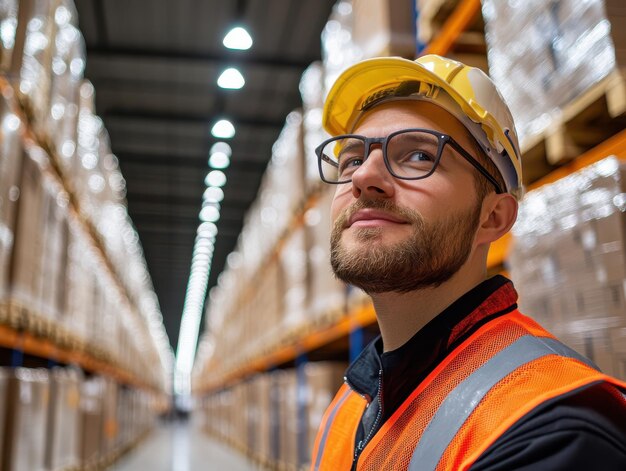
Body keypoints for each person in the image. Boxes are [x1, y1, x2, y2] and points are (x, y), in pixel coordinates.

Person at [310, 55, 626, 470]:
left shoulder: (551, 431)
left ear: (493, 218)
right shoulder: (354, 399)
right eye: (352, 159)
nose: (363, 177)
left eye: (418, 156)